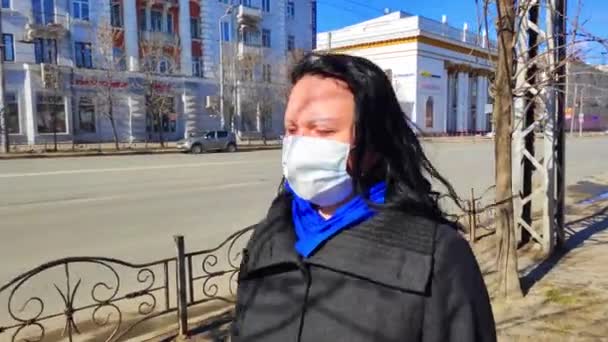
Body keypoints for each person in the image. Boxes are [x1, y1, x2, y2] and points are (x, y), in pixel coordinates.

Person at [231, 53, 496, 342]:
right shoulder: (269, 235)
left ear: (375, 142)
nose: (300, 146)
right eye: (292, 130)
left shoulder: (437, 256)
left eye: (322, 130)